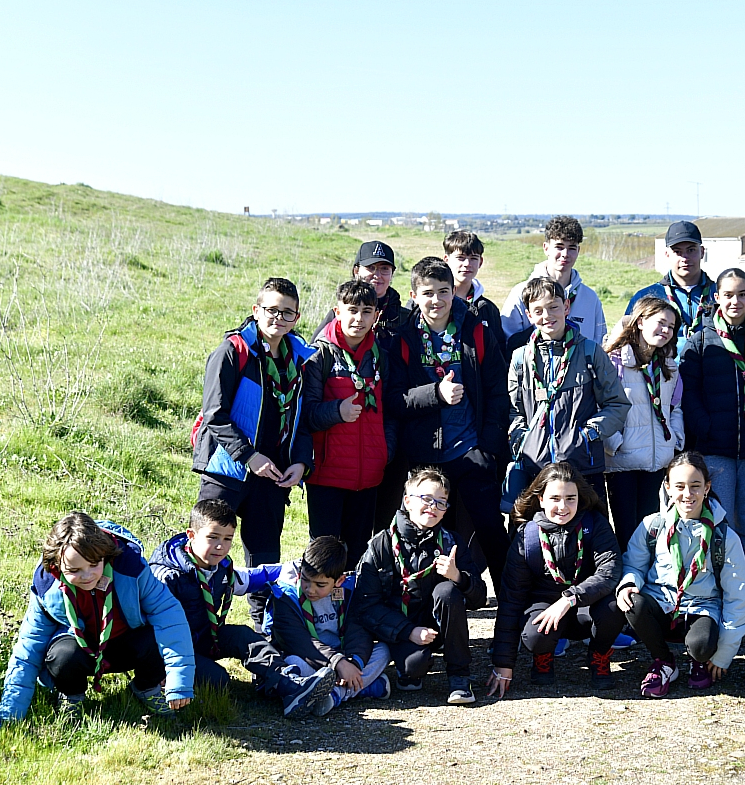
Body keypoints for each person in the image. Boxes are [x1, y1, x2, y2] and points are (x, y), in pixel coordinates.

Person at [0, 513, 195, 726]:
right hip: (81, 651)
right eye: (74, 570)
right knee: (62, 656)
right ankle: (71, 696)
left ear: (105, 554)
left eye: (93, 564)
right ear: (57, 565)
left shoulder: (131, 569)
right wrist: (8, 715)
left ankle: (147, 688)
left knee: (155, 637)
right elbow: (28, 649)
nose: (87, 575)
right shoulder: (46, 587)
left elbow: (170, 619)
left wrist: (179, 684)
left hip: (126, 645)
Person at [192, 277, 314, 628]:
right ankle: (200, 628)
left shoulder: (299, 360)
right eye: (271, 310)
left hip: (273, 477)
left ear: (297, 317)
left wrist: (300, 463)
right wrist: (249, 456)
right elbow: (215, 414)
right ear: (256, 310)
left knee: (264, 558)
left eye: (287, 312)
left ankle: (265, 634)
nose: (278, 318)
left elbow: (302, 421)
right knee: (209, 550)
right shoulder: (232, 352)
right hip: (226, 471)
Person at [385, 257, 509, 593]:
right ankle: (440, 608)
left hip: (471, 451)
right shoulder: (403, 338)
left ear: (454, 292)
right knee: (433, 537)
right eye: (427, 293)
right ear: (413, 295)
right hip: (425, 459)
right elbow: (394, 399)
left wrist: (488, 448)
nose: (436, 300)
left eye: (444, 291)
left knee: (492, 532)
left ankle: (512, 611)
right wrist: (435, 394)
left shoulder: (476, 331)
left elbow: (499, 393)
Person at [148, 499, 338, 717]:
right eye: (213, 537)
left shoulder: (220, 568)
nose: (221, 546)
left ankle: (290, 685)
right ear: (191, 535)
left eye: (227, 539)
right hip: (172, 651)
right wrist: (161, 668)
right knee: (217, 681)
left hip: (203, 637)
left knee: (244, 636)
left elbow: (251, 578)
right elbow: (150, 629)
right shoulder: (167, 577)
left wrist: (294, 568)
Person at [615, 452, 745, 697]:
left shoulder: (723, 536)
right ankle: (664, 661)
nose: (687, 495)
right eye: (679, 486)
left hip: (702, 606)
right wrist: (629, 583)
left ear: (707, 488)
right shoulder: (652, 526)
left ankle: (697, 660)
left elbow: (739, 596)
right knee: (633, 604)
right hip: (661, 604)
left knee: (701, 646)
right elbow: (634, 565)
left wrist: (723, 655)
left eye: (695, 486)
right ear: (668, 487)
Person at [487, 463, 625, 696]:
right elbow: (511, 600)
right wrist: (503, 664)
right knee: (534, 634)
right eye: (555, 498)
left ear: (580, 498)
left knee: (615, 607)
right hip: (544, 606)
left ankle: (599, 655)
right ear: (541, 499)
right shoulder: (527, 536)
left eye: (570, 498)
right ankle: (543, 655)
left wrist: (570, 598)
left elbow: (609, 571)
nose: (563, 507)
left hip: (585, 604)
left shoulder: (595, 524)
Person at [353, 466, 487, 705]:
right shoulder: (381, 545)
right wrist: (408, 631)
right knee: (413, 668)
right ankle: (411, 665)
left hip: (438, 624)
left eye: (441, 502)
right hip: (400, 626)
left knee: (447, 592)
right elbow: (366, 606)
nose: (433, 507)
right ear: (408, 501)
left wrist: (458, 577)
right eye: (426, 499)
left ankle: (459, 677)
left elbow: (479, 599)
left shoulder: (451, 542)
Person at [679, 268, 745, 552]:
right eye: (728, 295)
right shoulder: (700, 341)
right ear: (716, 297)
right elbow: (688, 393)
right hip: (715, 450)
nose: (735, 301)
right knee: (719, 523)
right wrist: (705, 427)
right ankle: (719, 589)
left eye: (742, 294)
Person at [507, 277, 630, 501]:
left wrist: (588, 435)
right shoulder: (520, 358)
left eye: (553, 307)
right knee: (531, 531)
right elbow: (514, 410)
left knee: (592, 531)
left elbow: (617, 403)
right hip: (535, 465)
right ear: (529, 315)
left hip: (583, 465)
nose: (547, 316)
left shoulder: (590, 352)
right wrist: (522, 439)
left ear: (566, 307)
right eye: (538, 310)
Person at [302, 280, 392, 557]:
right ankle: (317, 601)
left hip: (368, 474)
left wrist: (384, 452)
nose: (359, 318)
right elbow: (306, 414)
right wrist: (337, 412)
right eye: (351, 310)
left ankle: (351, 602)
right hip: (327, 474)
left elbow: (389, 412)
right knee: (324, 555)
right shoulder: (319, 355)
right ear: (337, 311)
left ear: (376, 316)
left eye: (367, 311)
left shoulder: (380, 357)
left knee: (357, 555)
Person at [265, 535, 392, 715]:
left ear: (338, 581)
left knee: (383, 651)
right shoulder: (285, 595)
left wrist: (353, 662)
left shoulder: (349, 591)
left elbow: (358, 630)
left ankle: (334, 694)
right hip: (311, 658)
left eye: (320, 584)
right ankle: (366, 687)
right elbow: (297, 641)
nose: (310, 589)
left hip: (344, 657)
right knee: (292, 663)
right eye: (306, 579)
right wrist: (337, 663)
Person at [602, 296, 685, 550]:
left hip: (656, 460)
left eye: (671, 327)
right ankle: (624, 585)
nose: (666, 331)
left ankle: (645, 585)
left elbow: (675, 406)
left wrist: (674, 439)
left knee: (650, 532)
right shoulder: (614, 361)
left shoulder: (668, 365)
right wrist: (614, 444)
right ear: (640, 322)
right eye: (661, 323)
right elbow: (600, 406)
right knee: (627, 534)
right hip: (623, 462)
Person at [501, 215, 608, 348]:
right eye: (559, 246)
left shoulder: (590, 299)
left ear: (578, 251)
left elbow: (601, 346)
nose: (565, 254)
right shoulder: (521, 293)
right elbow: (506, 343)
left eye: (572, 248)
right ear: (546, 248)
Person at [625, 220, 717, 355]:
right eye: (678, 252)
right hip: (664, 373)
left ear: (702, 252)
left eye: (691, 250)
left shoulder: (722, 295)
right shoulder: (647, 297)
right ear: (667, 255)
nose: (685, 258)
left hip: (712, 373)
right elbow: (628, 342)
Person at [310, 239, 411, 348]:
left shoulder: (405, 318)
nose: (377, 275)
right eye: (371, 268)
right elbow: (314, 352)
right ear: (356, 271)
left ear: (392, 274)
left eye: (384, 269)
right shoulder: (341, 314)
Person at [443, 230, 506, 349]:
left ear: (480, 262)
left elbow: (499, 351)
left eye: (473, 258)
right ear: (446, 259)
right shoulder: (433, 302)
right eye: (460, 258)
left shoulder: (488, 309)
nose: (467, 264)